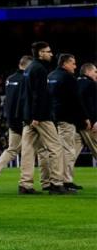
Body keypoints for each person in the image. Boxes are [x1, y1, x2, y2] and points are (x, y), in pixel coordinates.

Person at [21, 42, 67, 194]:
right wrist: (36, 116)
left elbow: (26, 95)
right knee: (56, 147)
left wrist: (28, 116)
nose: (51, 54)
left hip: (29, 116)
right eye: (48, 51)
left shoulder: (29, 68)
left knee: (27, 150)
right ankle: (56, 183)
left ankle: (25, 184)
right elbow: (38, 95)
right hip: (40, 117)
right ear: (40, 53)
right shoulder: (40, 69)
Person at [0, 56, 31, 192]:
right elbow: (24, 101)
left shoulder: (10, 79)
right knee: (35, 150)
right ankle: (31, 182)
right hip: (24, 120)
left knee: (12, 149)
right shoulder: (26, 79)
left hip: (11, 120)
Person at [47, 54, 83, 191]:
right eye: (73, 63)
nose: (75, 66)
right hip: (67, 118)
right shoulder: (68, 78)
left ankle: (52, 179)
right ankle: (65, 180)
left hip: (51, 118)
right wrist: (83, 118)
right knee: (68, 150)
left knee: (55, 150)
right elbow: (76, 100)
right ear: (65, 63)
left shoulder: (50, 76)